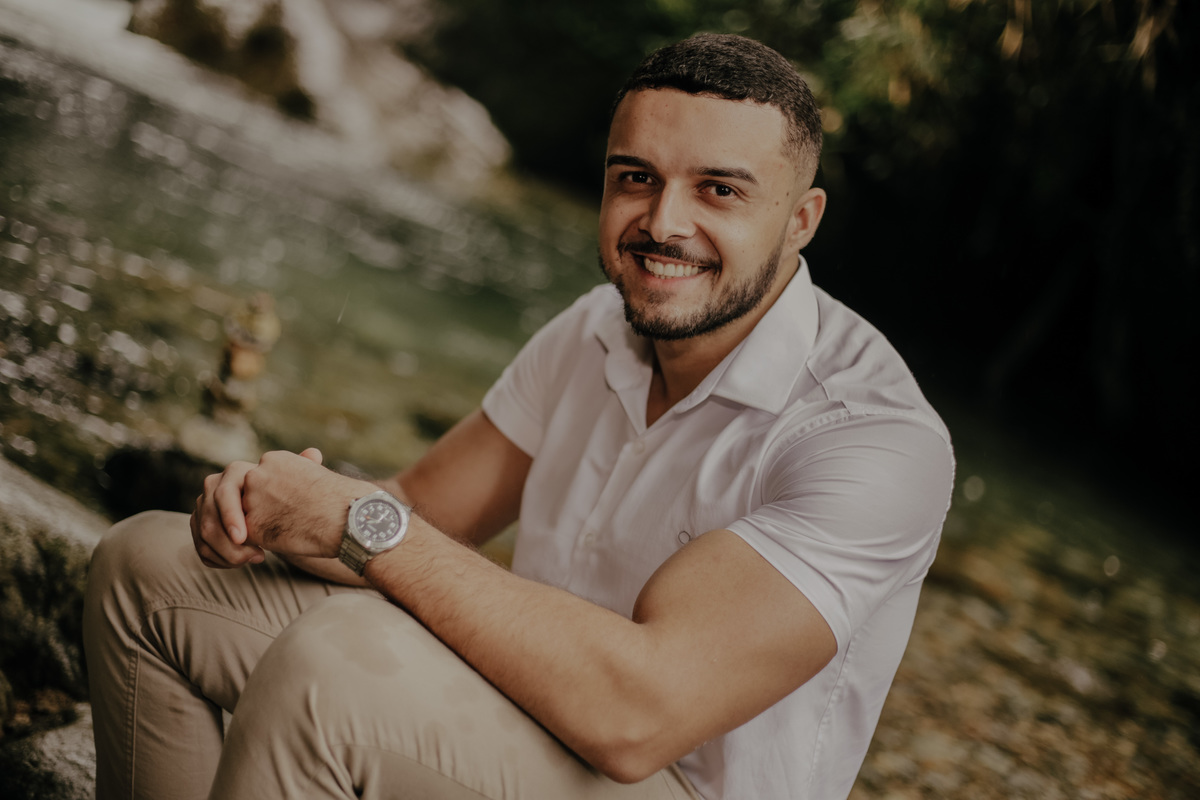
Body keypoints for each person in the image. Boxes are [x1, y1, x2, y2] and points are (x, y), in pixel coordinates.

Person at [83, 33, 953, 800]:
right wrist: (283, 507)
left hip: (660, 771)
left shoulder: (872, 440)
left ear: (800, 221)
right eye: (636, 178)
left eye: (718, 190)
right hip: (525, 708)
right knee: (146, 566)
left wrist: (356, 520)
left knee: (332, 668)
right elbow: (423, 508)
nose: (664, 222)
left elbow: (638, 714)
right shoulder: (596, 327)